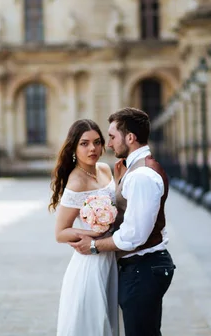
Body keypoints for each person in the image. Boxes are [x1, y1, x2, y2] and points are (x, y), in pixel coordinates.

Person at [70, 107, 176, 336]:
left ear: (130, 137)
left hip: (143, 269)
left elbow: (132, 236)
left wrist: (93, 246)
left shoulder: (141, 176)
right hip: (142, 268)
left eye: (111, 137)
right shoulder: (133, 170)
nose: (108, 144)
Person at [50, 119, 119, 336]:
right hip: (91, 262)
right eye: (85, 143)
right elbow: (60, 233)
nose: (93, 149)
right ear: (73, 147)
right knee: (93, 324)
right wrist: (94, 233)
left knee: (112, 319)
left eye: (97, 142)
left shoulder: (105, 169)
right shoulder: (76, 182)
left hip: (113, 256)